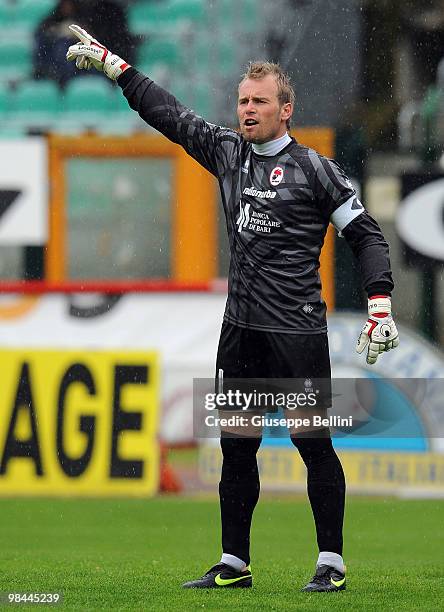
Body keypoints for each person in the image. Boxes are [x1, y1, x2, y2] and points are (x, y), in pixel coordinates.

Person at [66, 25, 399, 592]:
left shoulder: (316, 171)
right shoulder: (227, 153)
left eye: (259, 102)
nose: (247, 110)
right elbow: (169, 115)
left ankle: (331, 563)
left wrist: (380, 304)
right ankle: (234, 563)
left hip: (296, 331)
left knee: (312, 443)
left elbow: (368, 236)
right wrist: (118, 68)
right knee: (236, 447)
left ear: (285, 109)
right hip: (240, 331)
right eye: (243, 101)